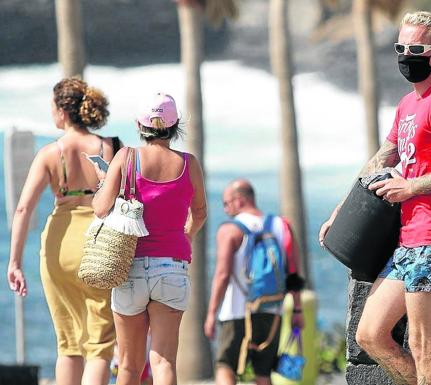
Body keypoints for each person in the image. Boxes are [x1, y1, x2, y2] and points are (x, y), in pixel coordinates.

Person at [319, 11, 431, 385]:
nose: (406, 55)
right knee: (369, 334)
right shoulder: (407, 105)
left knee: (424, 343)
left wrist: (410, 188)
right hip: (406, 242)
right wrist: (341, 211)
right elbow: (380, 160)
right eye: (400, 47)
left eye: (416, 48)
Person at [6, 77, 121, 385]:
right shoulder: (111, 147)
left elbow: (23, 209)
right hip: (100, 242)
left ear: (62, 111)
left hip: (60, 245)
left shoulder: (49, 153)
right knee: (99, 343)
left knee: (68, 343)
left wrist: (14, 261)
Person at [92, 93, 207, 385]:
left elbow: (100, 208)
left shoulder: (126, 157)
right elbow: (201, 212)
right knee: (164, 361)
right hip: (172, 267)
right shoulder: (188, 163)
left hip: (131, 267)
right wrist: (186, 235)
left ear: (139, 124)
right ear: (175, 124)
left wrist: (106, 182)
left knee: (130, 366)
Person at [204, 179, 305, 385]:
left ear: (239, 200)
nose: (226, 209)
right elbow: (293, 273)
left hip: (236, 312)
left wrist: (211, 314)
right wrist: (297, 310)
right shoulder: (282, 225)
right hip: (271, 310)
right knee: (263, 372)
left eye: (226, 203)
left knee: (225, 366)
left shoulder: (230, 230)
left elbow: (222, 275)